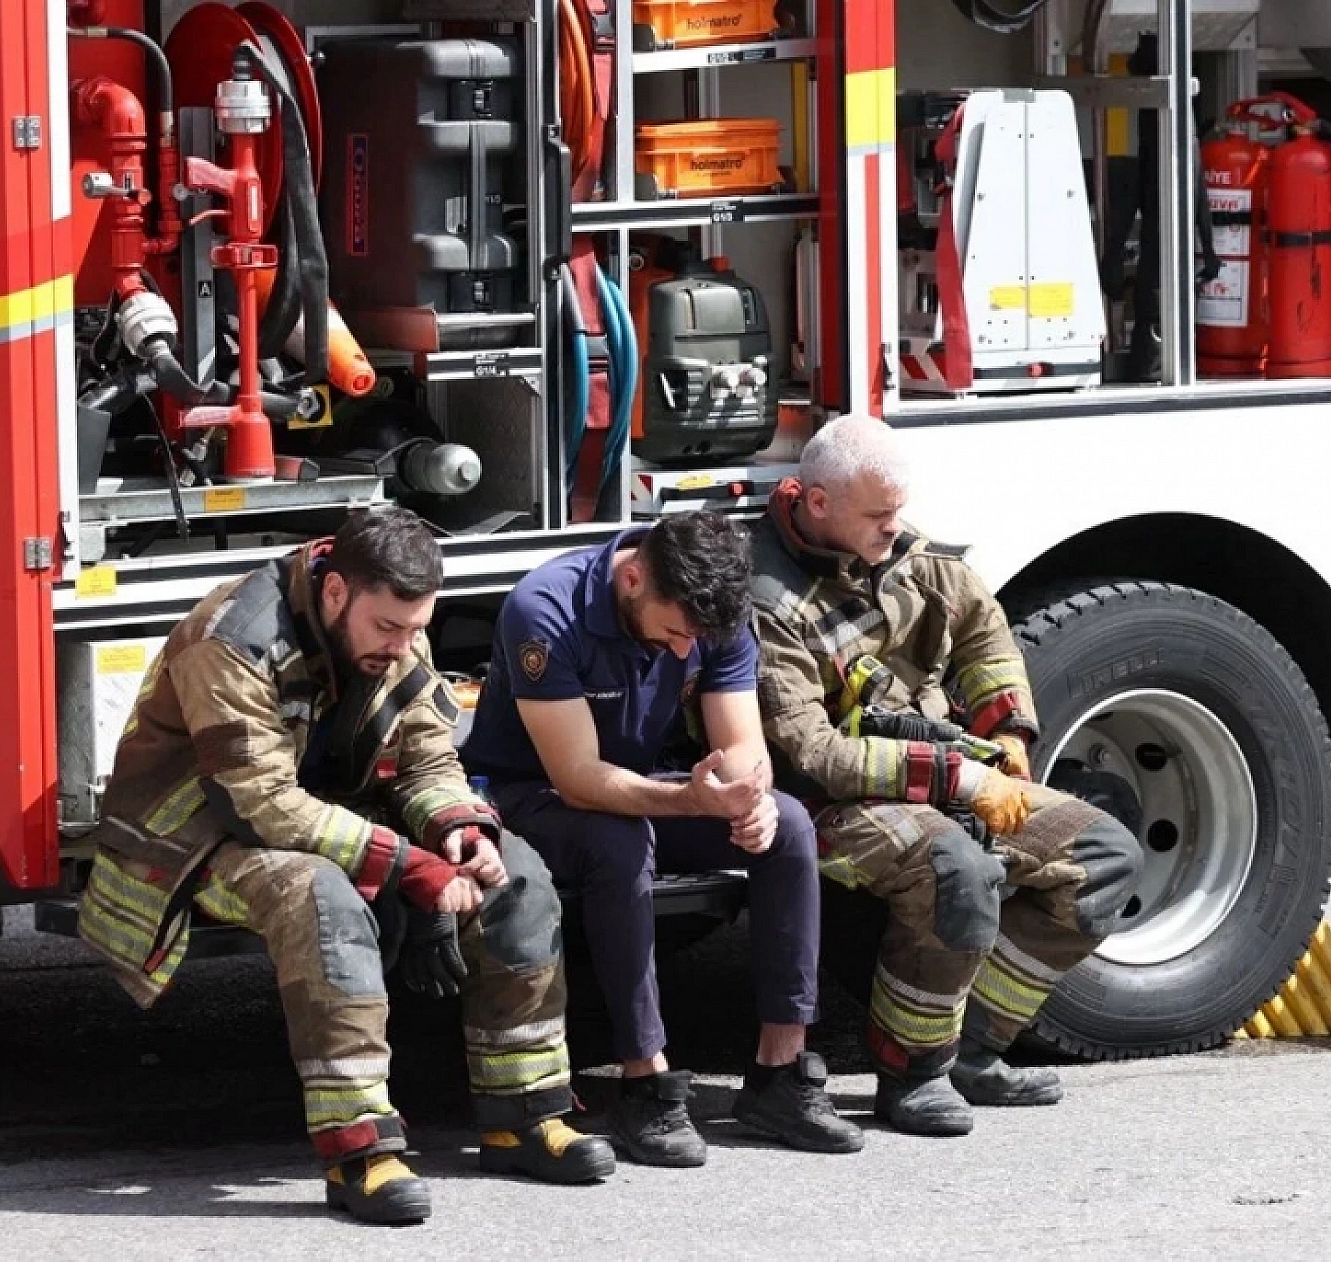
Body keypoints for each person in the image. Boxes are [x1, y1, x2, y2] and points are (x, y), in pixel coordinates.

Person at [75, 507, 614, 1224]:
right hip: (199, 837)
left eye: (416, 629)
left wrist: (459, 829)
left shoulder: (396, 630)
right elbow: (261, 803)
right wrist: (408, 865)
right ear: (335, 592)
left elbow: (427, 759)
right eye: (389, 628)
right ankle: (359, 1152)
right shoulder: (229, 640)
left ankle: (525, 1118)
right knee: (323, 899)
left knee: (515, 876)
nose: (404, 646)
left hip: (331, 817)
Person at [748, 414, 1144, 1137]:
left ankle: (975, 1049)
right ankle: (914, 1073)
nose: (895, 529)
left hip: (946, 771)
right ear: (817, 503)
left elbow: (984, 630)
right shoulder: (769, 600)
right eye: (878, 515)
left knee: (1104, 857)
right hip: (830, 801)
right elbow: (815, 756)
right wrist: (960, 782)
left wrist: (1010, 730)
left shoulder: (903, 550)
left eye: (898, 512)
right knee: (955, 871)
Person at [462, 511, 865, 1166]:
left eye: (694, 641)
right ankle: (643, 1081)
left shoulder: (712, 611)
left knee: (788, 826)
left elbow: (742, 743)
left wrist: (748, 799)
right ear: (633, 579)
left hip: (644, 785)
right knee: (619, 843)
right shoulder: (545, 609)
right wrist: (690, 800)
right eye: (675, 633)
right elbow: (577, 778)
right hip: (532, 793)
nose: (683, 653)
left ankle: (780, 1072)